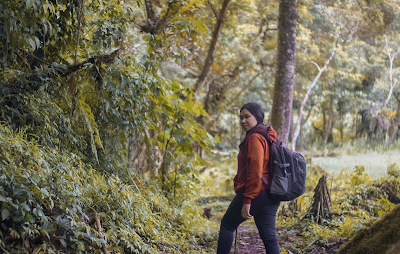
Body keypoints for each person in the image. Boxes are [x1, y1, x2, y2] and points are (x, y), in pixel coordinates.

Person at [217, 102, 281, 254]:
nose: (243, 121)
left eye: (247, 117)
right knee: (270, 238)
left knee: (227, 225)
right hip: (271, 191)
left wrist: (247, 200)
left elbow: (255, 171)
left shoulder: (254, 138)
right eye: (241, 118)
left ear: (257, 117)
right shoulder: (266, 133)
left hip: (257, 192)